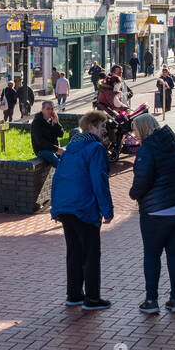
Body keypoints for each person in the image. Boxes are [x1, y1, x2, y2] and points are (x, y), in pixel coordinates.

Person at [129, 112, 175, 314]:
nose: (133, 134)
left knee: (152, 254)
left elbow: (142, 182)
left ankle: (151, 300)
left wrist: (133, 194)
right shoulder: (171, 141)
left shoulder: (147, 149)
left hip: (158, 210)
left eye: (134, 129)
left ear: (141, 129)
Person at [49, 110, 115, 310]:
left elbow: (58, 178)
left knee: (74, 252)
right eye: (102, 126)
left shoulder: (71, 148)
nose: (105, 130)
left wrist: (55, 207)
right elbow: (99, 181)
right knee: (91, 253)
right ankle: (92, 298)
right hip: (84, 207)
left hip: (66, 207)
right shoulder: (95, 148)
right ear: (92, 127)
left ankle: (74, 294)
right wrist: (107, 210)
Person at [31, 100, 66, 168]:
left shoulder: (51, 120)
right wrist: (56, 149)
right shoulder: (37, 122)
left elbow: (61, 134)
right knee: (59, 164)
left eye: (52, 109)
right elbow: (40, 141)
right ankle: (65, 174)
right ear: (42, 109)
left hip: (53, 149)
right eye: (48, 109)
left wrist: (56, 123)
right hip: (42, 150)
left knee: (68, 158)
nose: (50, 111)